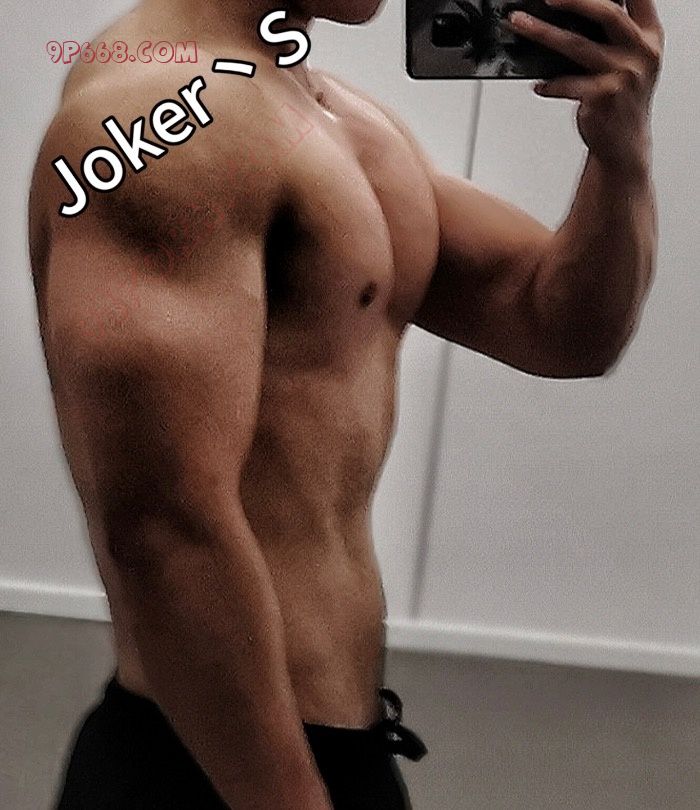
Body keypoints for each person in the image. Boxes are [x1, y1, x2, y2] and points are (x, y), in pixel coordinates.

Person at [27, 0, 663, 806]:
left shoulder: (333, 119)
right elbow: (160, 526)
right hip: (211, 772)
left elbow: (560, 327)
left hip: (330, 755)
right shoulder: (160, 122)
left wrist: (621, 152)